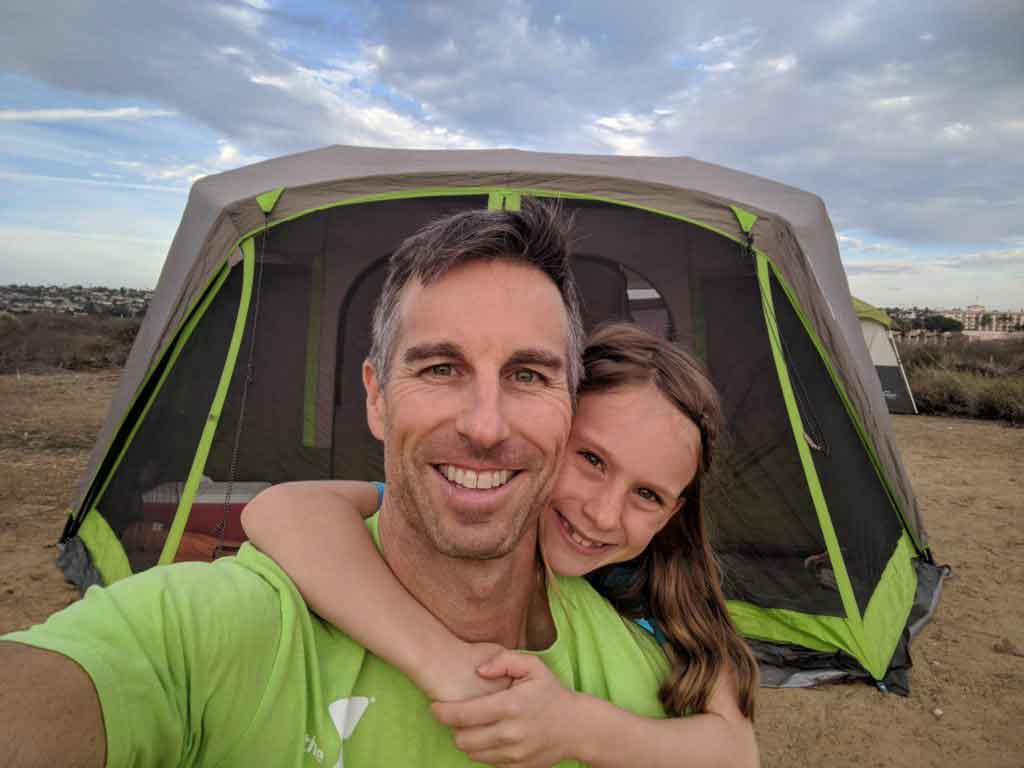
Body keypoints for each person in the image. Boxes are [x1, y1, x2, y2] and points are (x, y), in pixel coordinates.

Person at [0, 201, 702, 767]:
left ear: (569, 407)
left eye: (528, 374)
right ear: (375, 395)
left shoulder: (645, 678)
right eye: (439, 368)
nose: (486, 427)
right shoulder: (209, 628)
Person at [243, 322, 759, 767]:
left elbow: (737, 751)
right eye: (592, 461)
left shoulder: (662, 587)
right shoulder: (478, 514)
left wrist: (574, 726)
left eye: (646, 494)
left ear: (673, 512)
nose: (603, 514)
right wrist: (444, 662)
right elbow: (281, 509)